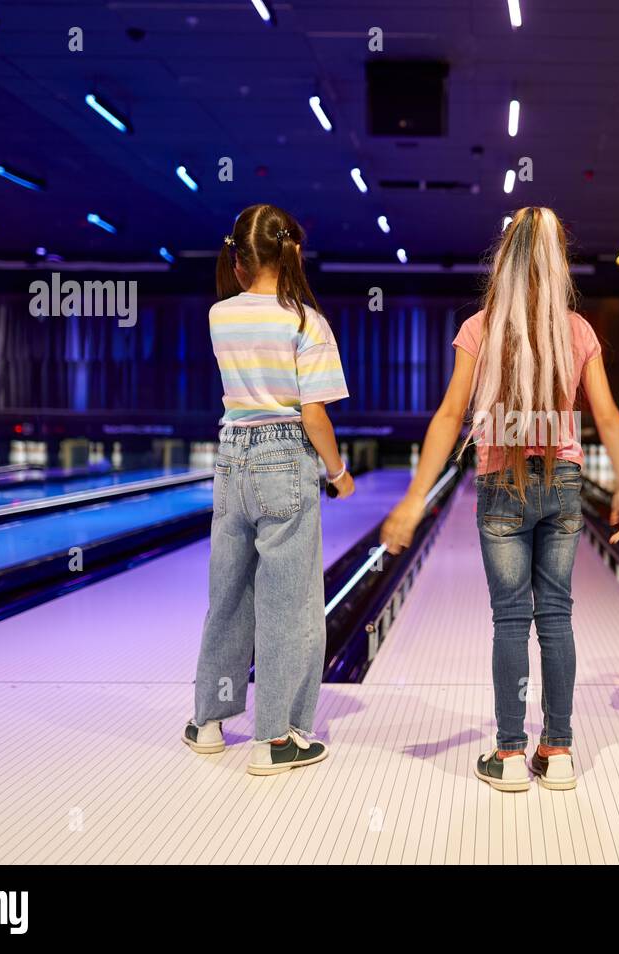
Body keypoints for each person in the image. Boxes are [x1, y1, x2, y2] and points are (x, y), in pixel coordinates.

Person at [380, 207, 619, 792]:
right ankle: (562, 749)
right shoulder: (578, 329)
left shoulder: (480, 327)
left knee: (510, 620)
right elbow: (608, 415)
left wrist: (416, 498)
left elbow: (450, 415)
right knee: (557, 617)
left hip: (502, 484)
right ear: (556, 261)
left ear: (505, 258)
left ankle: (511, 754)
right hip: (565, 482)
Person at [182, 203, 355, 776]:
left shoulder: (218, 315)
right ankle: (275, 739)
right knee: (291, 603)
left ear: (238, 259)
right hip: (286, 459)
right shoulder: (307, 322)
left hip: (232, 458)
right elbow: (314, 417)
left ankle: (209, 722)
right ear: (291, 253)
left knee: (227, 594)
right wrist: (338, 472)